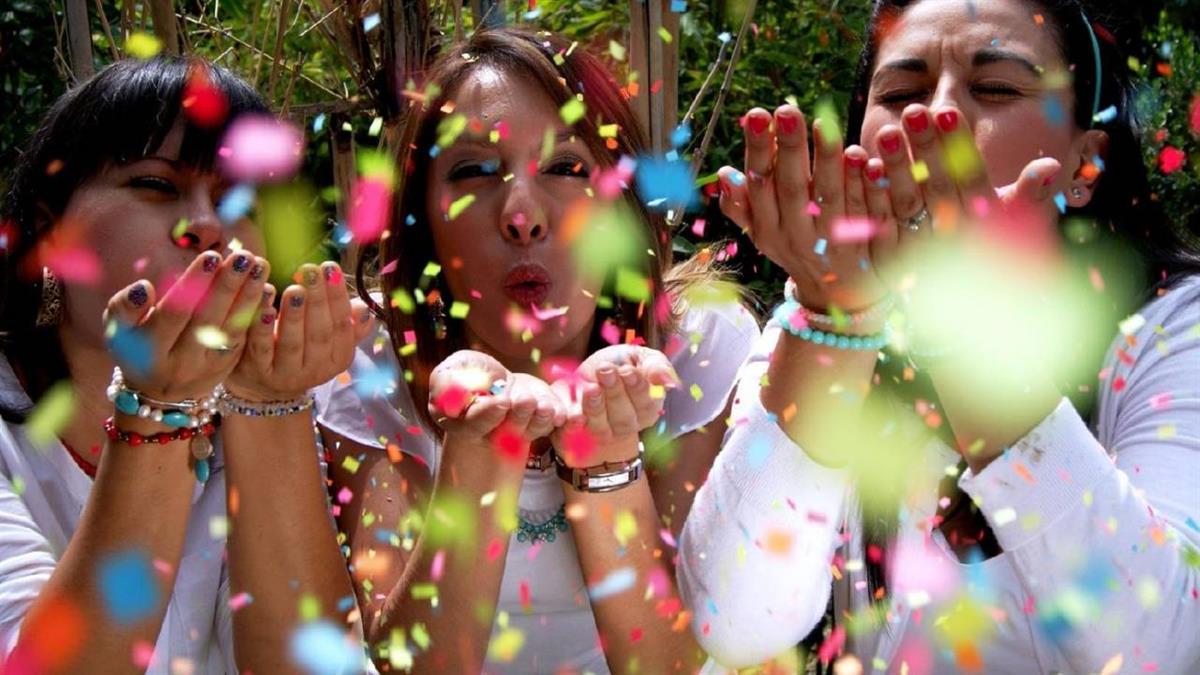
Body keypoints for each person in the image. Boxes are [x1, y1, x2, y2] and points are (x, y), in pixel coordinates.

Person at [678, 0, 1200, 672]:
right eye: (900, 93)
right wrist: (836, 321)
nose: (934, 119)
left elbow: (1166, 641)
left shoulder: (1171, 328)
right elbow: (733, 622)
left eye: (995, 88)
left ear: (1085, 160)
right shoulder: (811, 325)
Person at [317, 27, 760, 673]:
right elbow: (409, 662)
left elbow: (671, 660)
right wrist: (476, 450)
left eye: (566, 167)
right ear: (423, 221)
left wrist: (603, 455)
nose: (522, 214)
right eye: (473, 171)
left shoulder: (694, 347)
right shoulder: (373, 371)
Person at [0, 57, 372, 673]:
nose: (205, 226)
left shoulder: (244, 410)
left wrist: (268, 403)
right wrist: (156, 413)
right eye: (156, 185)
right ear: (49, 231)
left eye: (237, 201)